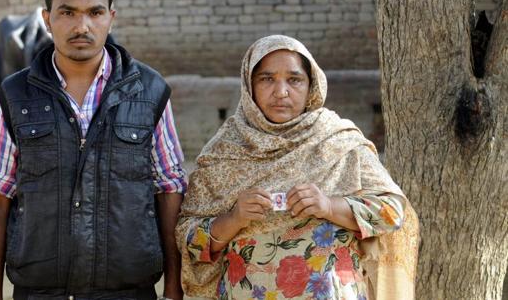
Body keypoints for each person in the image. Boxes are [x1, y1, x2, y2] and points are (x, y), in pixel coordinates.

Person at [0, 0, 186, 300]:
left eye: (95, 12)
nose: (82, 26)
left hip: (128, 292)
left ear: (111, 17)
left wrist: (174, 289)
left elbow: (170, 190)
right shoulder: (14, 97)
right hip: (40, 293)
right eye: (68, 12)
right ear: (48, 19)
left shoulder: (150, 93)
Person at [176, 35, 419, 300]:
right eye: (267, 79)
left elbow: (393, 213)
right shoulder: (224, 151)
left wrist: (329, 206)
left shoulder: (339, 140)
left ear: (311, 85)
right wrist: (234, 219)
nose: (281, 92)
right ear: (249, 85)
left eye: (294, 80)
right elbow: (188, 242)